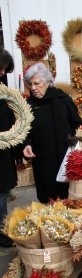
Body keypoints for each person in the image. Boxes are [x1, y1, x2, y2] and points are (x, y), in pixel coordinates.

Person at [23, 62, 82, 203]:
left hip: (64, 156)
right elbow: (24, 131)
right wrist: (26, 144)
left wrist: (74, 138)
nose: (33, 88)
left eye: (37, 83)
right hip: (42, 159)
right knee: (47, 197)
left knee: (66, 196)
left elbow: (78, 124)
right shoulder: (28, 105)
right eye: (30, 85)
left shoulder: (62, 100)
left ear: (47, 82)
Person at [0, 47, 16, 247]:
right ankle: (2, 235)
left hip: (4, 149)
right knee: (1, 194)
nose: (3, 72)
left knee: (2, 192)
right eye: (2, 68)